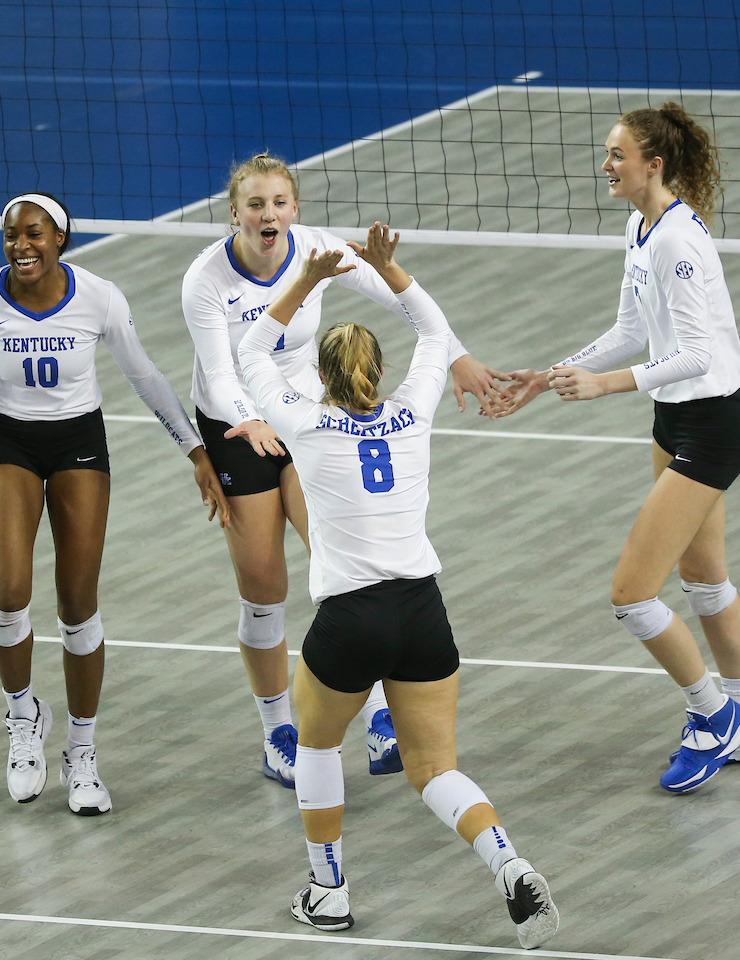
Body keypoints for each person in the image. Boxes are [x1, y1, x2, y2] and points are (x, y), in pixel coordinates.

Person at [235, 229, 559, 949]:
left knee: (318, 749)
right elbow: (435, 332)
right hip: (422, 609)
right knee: (436, 767)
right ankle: (507, 860)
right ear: (379, 370)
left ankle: (328, 892)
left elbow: (251, 352)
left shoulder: (304, 422)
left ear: (319, 372)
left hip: (351, 616)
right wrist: (386, 269)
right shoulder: (413, 411)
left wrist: (306, 278)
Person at [182, 153, 505, 787]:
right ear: (235, 213)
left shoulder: (319, 248)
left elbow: (397, 295)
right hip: (236, 423)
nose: (268, 214)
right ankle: (278, 727)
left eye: (279, 202)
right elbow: (222, 374)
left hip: (308, 419)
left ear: (294, 208)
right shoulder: (206, 280)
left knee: (350, 561)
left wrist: (458, 355)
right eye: (255, 204)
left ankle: (384, 717)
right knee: (264, 584)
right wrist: (249, 420)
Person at [496, 103, 740, 793]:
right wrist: (555, 374)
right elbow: (630, 327)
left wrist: (606, 388)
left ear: (653, 164)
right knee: (705, 579)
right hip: (673, 422)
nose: (606, 165)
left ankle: (711, 716)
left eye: (617, 155)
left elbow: (696, 354)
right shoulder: (640, 225)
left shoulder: (679, 243)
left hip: (712, 425)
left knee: (632, 595)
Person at [0, 192, 228, 816]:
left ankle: (83, 752)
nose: (21, 245)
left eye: (34, 234)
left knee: (77, 603)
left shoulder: (99, 298)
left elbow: (144, 375)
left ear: (60, 239)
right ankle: (22, 718)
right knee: (9, 591)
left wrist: (195, 451)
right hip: (11, 442)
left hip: (78, 444)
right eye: (11, 235)